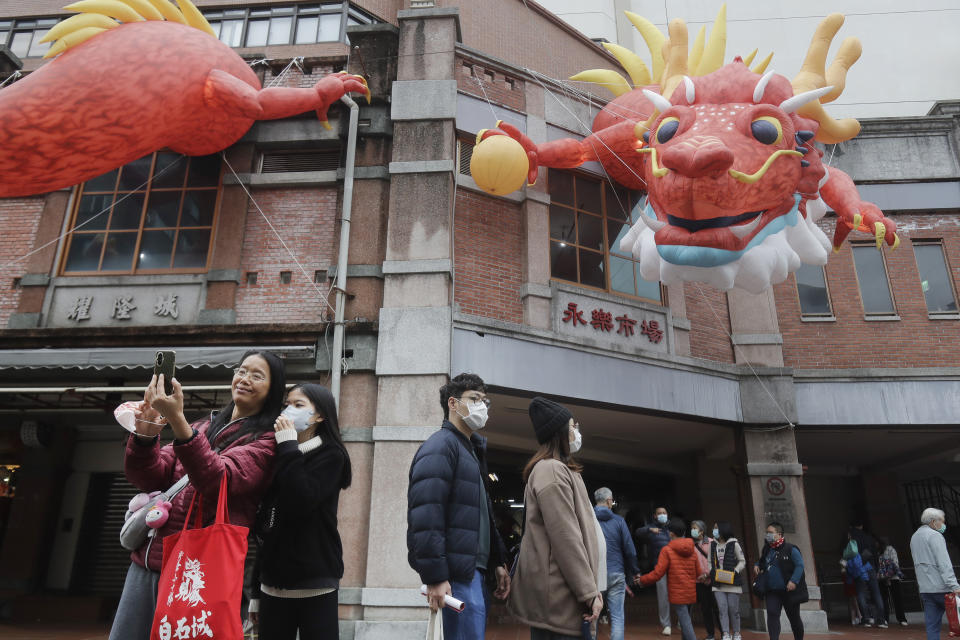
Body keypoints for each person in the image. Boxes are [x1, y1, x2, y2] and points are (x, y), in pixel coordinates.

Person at [110, 350, 285, 640]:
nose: (244, 379)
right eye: (242, 371)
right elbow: (149, 476)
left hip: (197, 572)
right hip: (148, 561)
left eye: (257, 375)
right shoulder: (204, 425)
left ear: (273, 389)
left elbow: (218, 480)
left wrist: (177, 419)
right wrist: (145, 435)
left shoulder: (267, 442)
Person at [407, 373, 510, 640]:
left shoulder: (471, 451)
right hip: (456, 575)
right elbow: (426, 516)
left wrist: (497, 561)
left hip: (473, 571)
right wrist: (435, 577)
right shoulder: (441, 447)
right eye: (475, 399)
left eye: (485, 401)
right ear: (453, 404)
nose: (482, 406)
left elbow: (482, 513)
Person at [248, 383, 352, 640]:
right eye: (287, 404)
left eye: (298, 405)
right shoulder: (278, 452)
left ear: (319, 416)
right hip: (273, 586)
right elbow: (267, 526)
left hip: (315, 583)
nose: (288, 411)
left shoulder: (331, 455)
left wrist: (288, 446)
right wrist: (255, 593)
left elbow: (301, 500)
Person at [508, 397, 602, 640]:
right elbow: (566, 538)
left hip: (564, 598)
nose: (576, 432)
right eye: (572, 426)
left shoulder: (561, 469)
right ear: (559, 432)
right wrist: (589, 592)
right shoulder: (551, 470)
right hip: (558, 602)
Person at [635, 518, 698, 640]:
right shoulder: (692, 548)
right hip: (690, 589)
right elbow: (699, 570)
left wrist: (643, 580)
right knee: (685, 619)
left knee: (685, 621)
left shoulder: (667, 550)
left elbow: (658, 573)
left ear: (671, 533)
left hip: (677, 591)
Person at [595, 488, 639, 640]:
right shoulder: (619, 521)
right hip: (616, 573)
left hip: (595, 575)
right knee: (617, 617)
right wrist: (635, 571)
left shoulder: (588, 519)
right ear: (608, 501)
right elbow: (630, 550)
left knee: (592, 616)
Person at [910, 507, 960, 640]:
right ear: (933, 522)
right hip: (942, 587)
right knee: (957, 619)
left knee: (932, 627)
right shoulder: (935, 536)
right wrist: (954, 585)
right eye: (941, 521)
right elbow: (944, 563)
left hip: (926, 588)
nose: (943, 524)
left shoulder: (915, 537)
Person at [753, 522, 807, 640]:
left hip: (788, 591)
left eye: (770, 533)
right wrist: (757, 564)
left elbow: (800, 565)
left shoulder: (791, 549)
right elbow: (763, 561)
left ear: (779, 534)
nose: (768, 535)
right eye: (767, 532)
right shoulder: (767, 549)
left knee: (794, 618)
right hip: (772, 591)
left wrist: (793, 581)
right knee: (772, 614)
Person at [636, 506, 673, 634]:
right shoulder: (651, 529)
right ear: (655, 516)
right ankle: (666, 624)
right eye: (659, 513)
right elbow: (638, 532)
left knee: (680, 593)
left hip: (675, 566)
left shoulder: (673, 528)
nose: (662, 515)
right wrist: (650, 529)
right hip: (660, 567)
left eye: (664, 513)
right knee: (663, 596)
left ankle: (682, 620)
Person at [843, 530, 887, 628]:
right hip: (870, 567)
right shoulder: (869, 539)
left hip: (858, 570)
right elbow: (875, 554)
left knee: (861, 594)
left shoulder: (851, 544)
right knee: (876, 593)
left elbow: (846, 560)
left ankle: (866, 619)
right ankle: (881, 620)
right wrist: (876, 568)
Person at [711, 521, 745, 640]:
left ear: (723, 530)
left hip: (733, 583)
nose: (714, 531)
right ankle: (725, 633)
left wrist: (735, 571)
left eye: (716, 528)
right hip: (718, 584)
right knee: (722, 609)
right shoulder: (713, 545)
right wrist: (712, 572)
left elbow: (742, 561)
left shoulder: (734, 544)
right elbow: (710, 562)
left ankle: (736, 633)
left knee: (733, 609)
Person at [690, 520, 720, 640]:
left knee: (717, 608)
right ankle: (711, 634)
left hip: (712, 580)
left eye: (695, 528)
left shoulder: (712, 543)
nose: (693, 530)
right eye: (692, 528)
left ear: (702, 531)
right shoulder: (690, 545)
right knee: (705, 609)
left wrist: (707, 575)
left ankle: (724, 633)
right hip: (699, 582)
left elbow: (716, 562)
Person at [877, 536, 908, 627]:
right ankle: (899, 619)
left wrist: (886, 576)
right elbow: (895, 562)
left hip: (888, 578)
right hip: (889, 578)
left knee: (890, 599)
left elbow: (893, 563)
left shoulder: (887, 550)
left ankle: (892, 618)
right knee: (894, 599)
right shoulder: (882, 551)